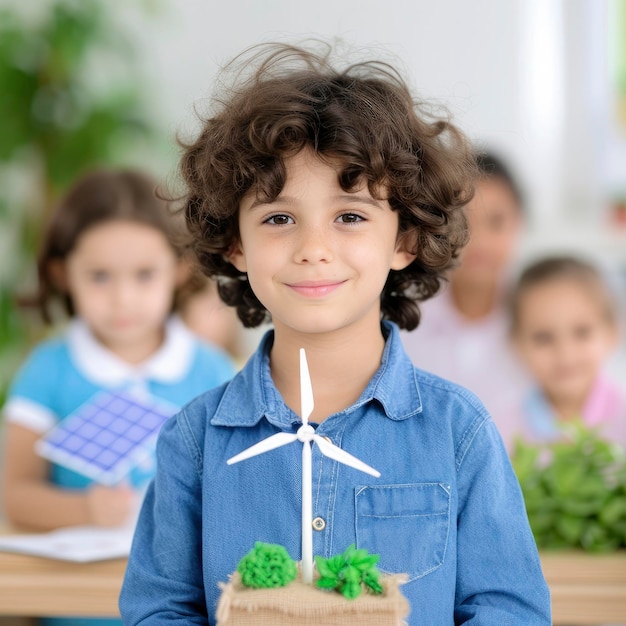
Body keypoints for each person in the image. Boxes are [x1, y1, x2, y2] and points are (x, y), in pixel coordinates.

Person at [119, 43, 551, 625]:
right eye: (278, 218)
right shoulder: (193, 442)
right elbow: (159, 609)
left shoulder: (459, 434)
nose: (313, 249)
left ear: (405, 240)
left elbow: (509, 609)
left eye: (350, 216)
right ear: (236, 244)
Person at [0, 169, 236, 626]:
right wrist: (85, 509)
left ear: (180, 269)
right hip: (78, 606)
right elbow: (15, 496)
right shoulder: (47, 372)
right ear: (62, 273)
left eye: (144, 275)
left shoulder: (211, 371)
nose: (123, 298)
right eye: (100, 276)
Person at [400, 150, 531, 435]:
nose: (479, 241)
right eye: (463, 223)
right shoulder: (405, 317)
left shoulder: (539, 317)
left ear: (520, 223)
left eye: (496, 222)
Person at [509, 255, 626, 448]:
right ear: (517, 343)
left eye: (582, 332)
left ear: (612, 332)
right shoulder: (502, 430)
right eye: (543, 337)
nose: (565, 354)